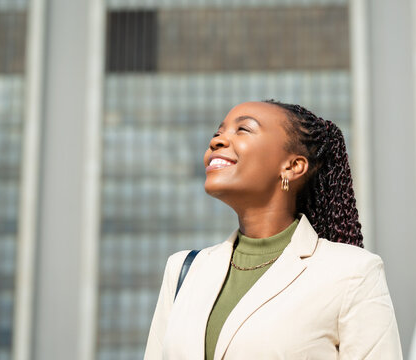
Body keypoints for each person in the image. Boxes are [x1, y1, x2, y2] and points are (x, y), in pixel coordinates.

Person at [144, 100, 402, 359]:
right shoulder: (183, 270)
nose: (217, 141)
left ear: (292, 167)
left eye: (243, 130)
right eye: (218, 132)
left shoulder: (353, 272)